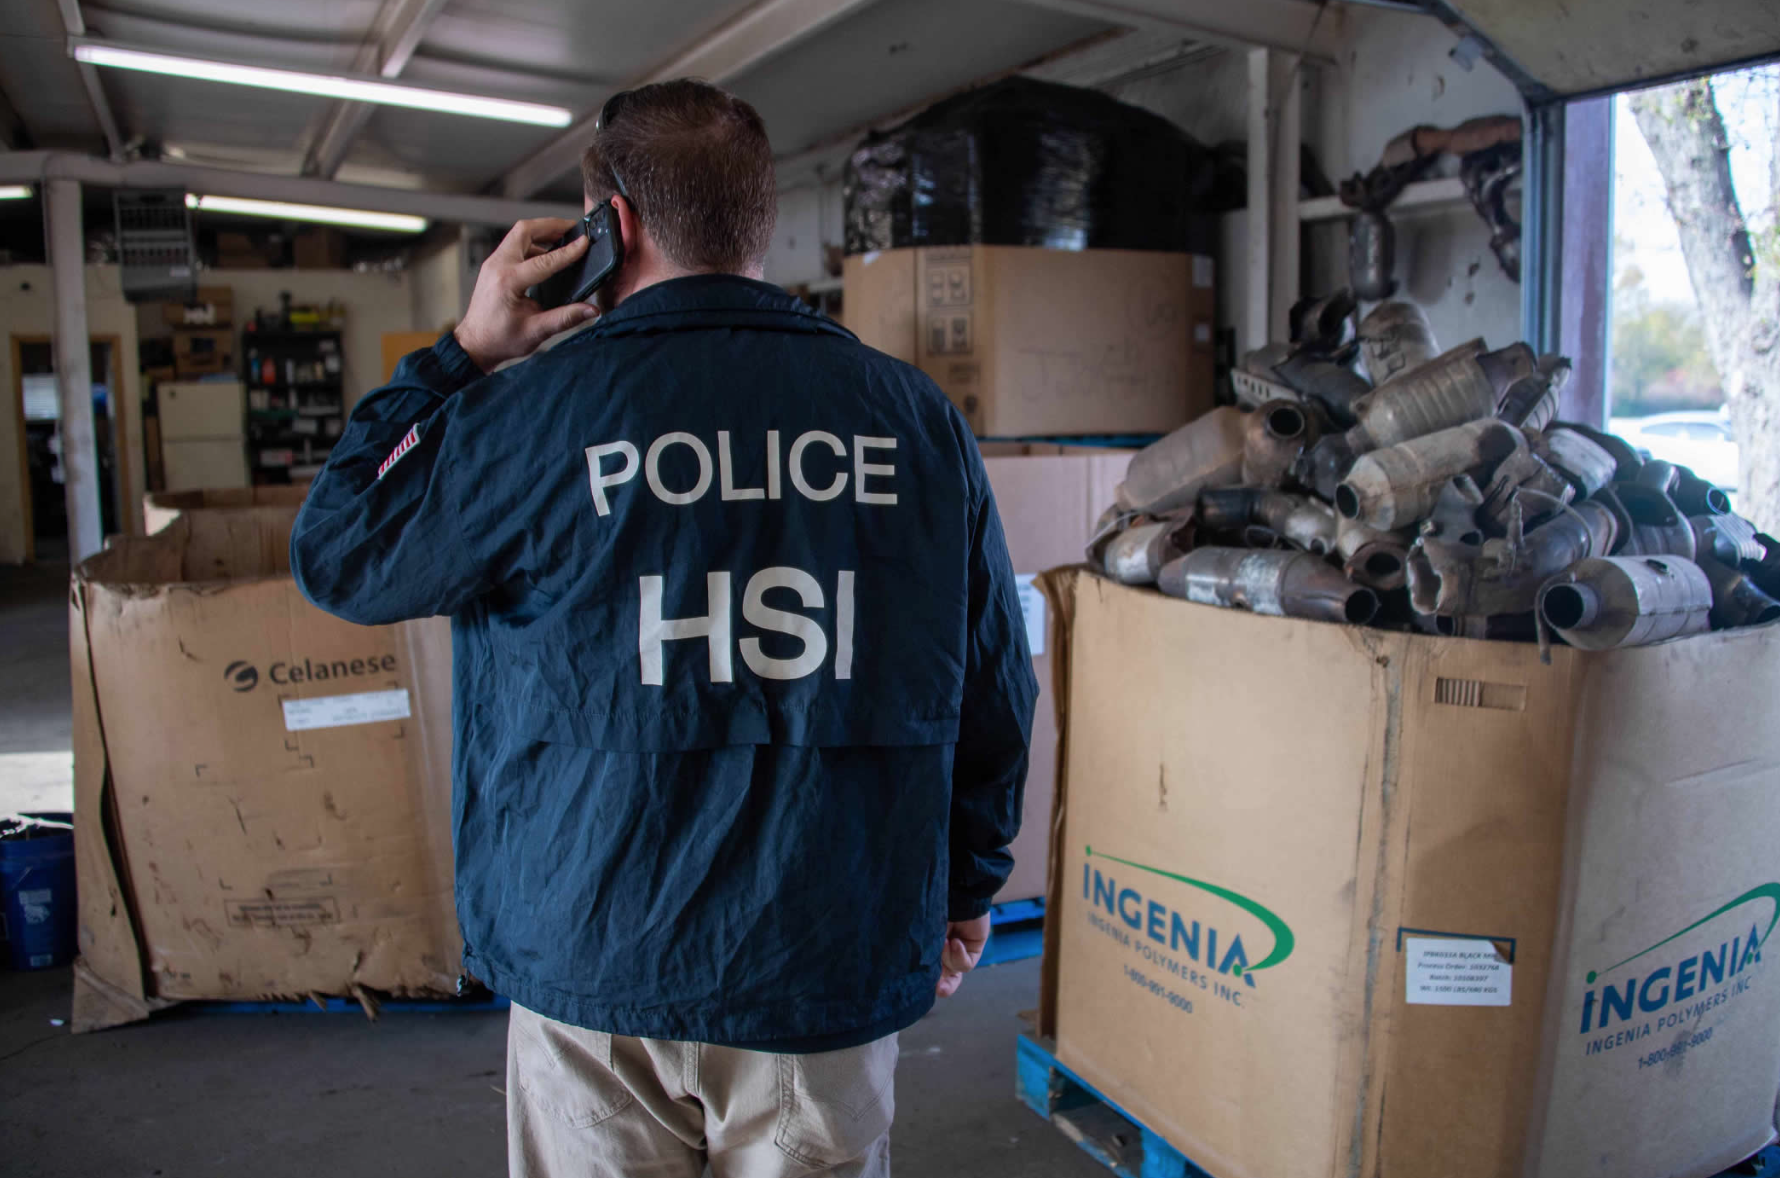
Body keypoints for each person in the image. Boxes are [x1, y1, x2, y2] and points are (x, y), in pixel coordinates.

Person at [291, 79, 1036, 1177]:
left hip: (594, 948)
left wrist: (461, 352)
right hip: (819, 953)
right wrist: (965, 884)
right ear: (761, 224)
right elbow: (989, 679)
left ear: (611, 226)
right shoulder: (912, 417)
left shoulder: (529, 415)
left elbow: (339, 546)